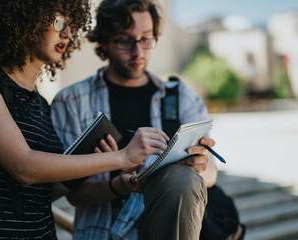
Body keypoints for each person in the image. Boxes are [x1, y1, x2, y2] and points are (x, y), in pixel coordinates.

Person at [0, 0, 169, 239]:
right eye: (58, 22)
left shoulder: (40, 103)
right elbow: (23, 167)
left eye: (72, 25)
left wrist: (111, 175)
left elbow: (45, 190)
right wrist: (120, 156)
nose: (67, 33)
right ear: (23, 20)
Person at [50, 0, 218, 239]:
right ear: (105, 41)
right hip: (103, 230)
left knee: (182, 178)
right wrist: (118, 182)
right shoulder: (72, 101)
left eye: (147, 39)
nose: (138, 52)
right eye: (125, 40)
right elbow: (72, 193)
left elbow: (211, 174)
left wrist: (199, 166)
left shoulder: (182, 97)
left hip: (171, 226)